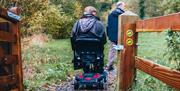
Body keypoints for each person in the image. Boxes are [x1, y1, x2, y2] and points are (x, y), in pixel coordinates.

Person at [71, 6, 107, 71]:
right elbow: (104, 40)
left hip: (80, 51)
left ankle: (85, 69)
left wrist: (74, 48)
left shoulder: (77, 23)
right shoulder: (99, 24)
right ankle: (98, 69)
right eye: (95, 12)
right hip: (96, 51)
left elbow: (72, 37)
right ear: (93, 13)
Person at [106, 1, 125, 71]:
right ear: (121, 6)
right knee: (122, 49)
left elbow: (107, 26)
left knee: (112, 51)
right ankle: (121, 66)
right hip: (121, 36)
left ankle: (109, 65)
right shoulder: (124, 14)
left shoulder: (110, 14)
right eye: (123, 5)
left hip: (112, 36)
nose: (124, 7)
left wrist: (109, 35)